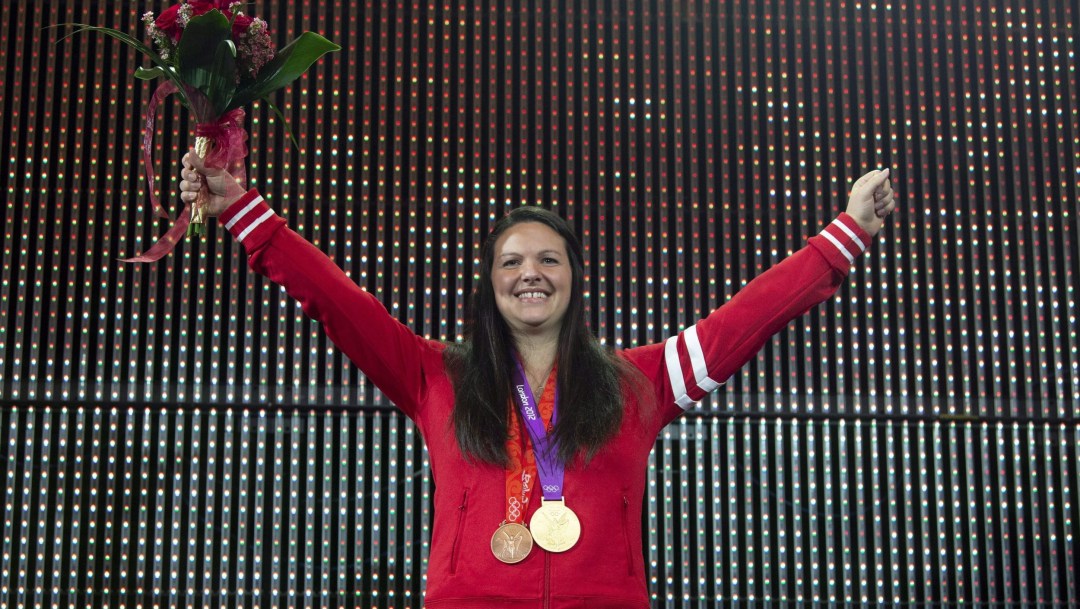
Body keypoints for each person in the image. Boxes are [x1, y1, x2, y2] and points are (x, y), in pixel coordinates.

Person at [179, 152, 896, 608]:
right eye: (512, 261)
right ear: (490, 284)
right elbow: (338, 301)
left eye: (549, 260)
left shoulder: (637, 382)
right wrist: (246, 213)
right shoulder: (434, 374)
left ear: (574, 278)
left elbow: (746, 320)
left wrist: (846, 235)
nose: (531, 273)